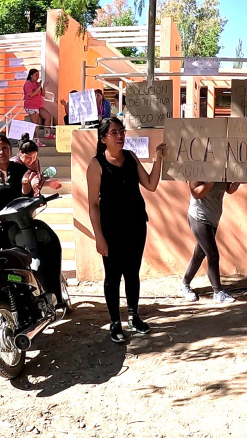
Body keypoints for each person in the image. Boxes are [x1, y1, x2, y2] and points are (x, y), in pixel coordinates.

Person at [87, 117, 165, 343]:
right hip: (110, 229)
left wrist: (158, 159)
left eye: (121, 131)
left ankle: (134, 316)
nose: (120, 136)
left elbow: (150, 184)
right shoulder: (96, 165)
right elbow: (92, 204)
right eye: (114, 133)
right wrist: (98, 236)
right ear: (103, 139)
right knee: (112, 277)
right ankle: (114, 322)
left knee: (132, 273)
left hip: (136, 225)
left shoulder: (130, 157)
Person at [179, 181, 243, 304]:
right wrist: (211, 180)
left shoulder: (224, 168)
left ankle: (184, 285)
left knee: (199, 254)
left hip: (213, 218)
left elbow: (229, 190)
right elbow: (196, 193)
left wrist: (238, 182)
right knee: (212, 255)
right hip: (199, 217)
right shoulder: (200, 167)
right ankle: (218, 293)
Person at [0, 134, 37, 251]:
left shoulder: (20, 170)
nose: (1, 152)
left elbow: (27, 197)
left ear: (10, 150)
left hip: (15, 226)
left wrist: (25, 184)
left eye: (4, 148)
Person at [23, 69, 53, 140]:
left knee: (48, 116)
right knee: (36, 123)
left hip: (39, 106)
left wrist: (43, 87)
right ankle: (36, 140)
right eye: (36, 75)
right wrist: (39, 87)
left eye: (38, 75)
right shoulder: (28, 84)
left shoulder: (37, 84)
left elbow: (43, 94)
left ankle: (47, 133)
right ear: (31, 75)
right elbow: (31, 94)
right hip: (32, 106)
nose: (37, 77)